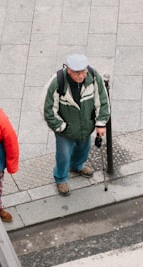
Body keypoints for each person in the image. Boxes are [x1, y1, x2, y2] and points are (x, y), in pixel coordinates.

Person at [42, 53, 110, 196]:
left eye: (83, 72)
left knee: (84, 149)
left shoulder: (93, 77)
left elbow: (102, 101)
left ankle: (77, 166)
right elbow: (48, 110)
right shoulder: (57, 83)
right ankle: (61, 178)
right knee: (64, 155)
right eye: (77, 73)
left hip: (86, 126)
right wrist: (62, 128)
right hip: (65, 130)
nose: (81, 76)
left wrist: (100, 123)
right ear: (69, 71)